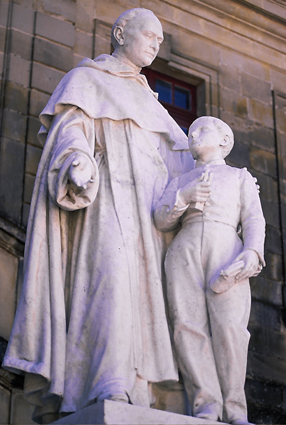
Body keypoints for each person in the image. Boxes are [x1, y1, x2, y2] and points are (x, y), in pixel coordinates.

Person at [2, 8, 195, 423]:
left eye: (160, 41)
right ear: (121, 32)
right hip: (108, 197)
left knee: (148, 297)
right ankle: (106, 379)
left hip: (151, 211)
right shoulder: (86, 80)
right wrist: (77, 160)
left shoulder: (150, 100)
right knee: (112, 281)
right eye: (150, 35)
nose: (156, 44)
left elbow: (180, 155)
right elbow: (71, 128)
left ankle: (141, 387)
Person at [154, 116, 265, 424]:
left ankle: (234, 410)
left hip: (225, 246)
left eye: (202, 130)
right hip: (185, 249)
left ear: (224, 141)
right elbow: (162, 220)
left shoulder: (240, 176)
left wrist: (253, 251)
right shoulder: (180, 180)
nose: (193, 135)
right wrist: (182, 198)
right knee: (187, 327)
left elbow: (254, 219)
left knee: (230, 330)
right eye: (190, 132)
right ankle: (206, 403)